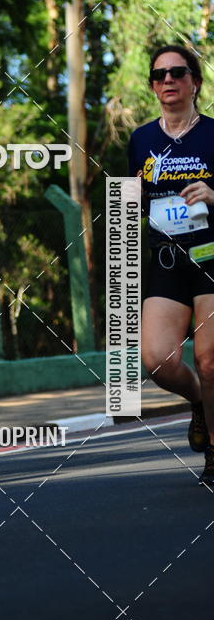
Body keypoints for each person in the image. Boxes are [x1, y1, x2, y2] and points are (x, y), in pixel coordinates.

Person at [128, 44, 214, 487]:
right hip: (165, 261)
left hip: (212, 259)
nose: (168, 81)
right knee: (158, 360)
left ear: (194, 81)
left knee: (208, 358)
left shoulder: (213, 134)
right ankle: (200, 401)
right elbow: (135, 203)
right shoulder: (141, 139)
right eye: (159, 75)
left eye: (177, 73)